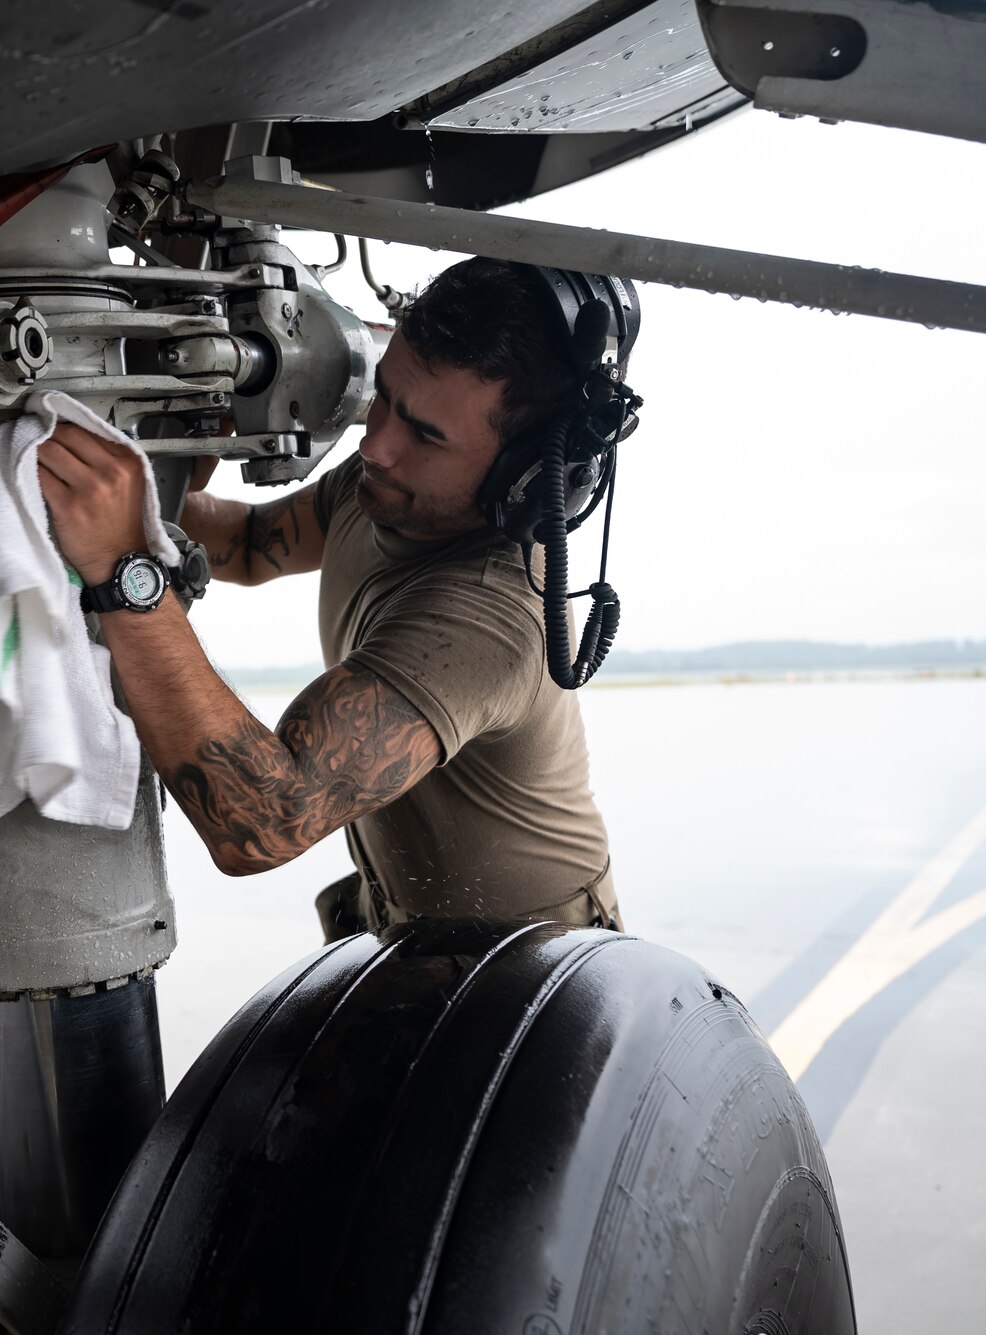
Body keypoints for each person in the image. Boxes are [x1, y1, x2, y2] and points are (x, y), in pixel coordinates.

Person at [37, 257, 621, 938]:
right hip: (409, 933)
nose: (375, 444)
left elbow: (260, 821)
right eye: (385, 399)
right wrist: (155, 480)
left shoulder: (490, 614)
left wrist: (127, 569)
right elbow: (254, 544)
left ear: (524, 477)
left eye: (426, 435)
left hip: (539, 966)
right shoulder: (391, 485)